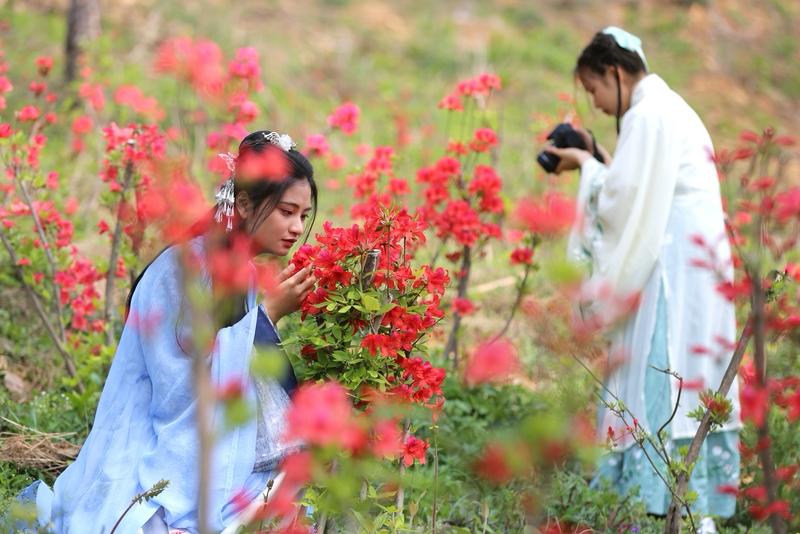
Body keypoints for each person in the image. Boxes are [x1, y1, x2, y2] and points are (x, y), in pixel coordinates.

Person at [18, 130, 318, 533]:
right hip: (160, 440)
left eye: (304, 214)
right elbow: (178, 386)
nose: (297, 227)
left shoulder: (240, 270)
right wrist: (267, 315)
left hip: (208, 441)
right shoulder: (183, 266)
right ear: (244, 204)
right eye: (286, 211)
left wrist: (261, 320)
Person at [545, 27, 741, 531]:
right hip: (691, 273)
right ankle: (686, 517)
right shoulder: (670, 108)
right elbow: (638, 191)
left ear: (614, 73)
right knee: (687, 393)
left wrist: (586, 165)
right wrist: (595, 158)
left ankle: (654, 514)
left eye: (594, 90)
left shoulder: (649, 115)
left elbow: (621, 204)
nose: (598, 103)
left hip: (670, 277)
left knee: (662, 383)